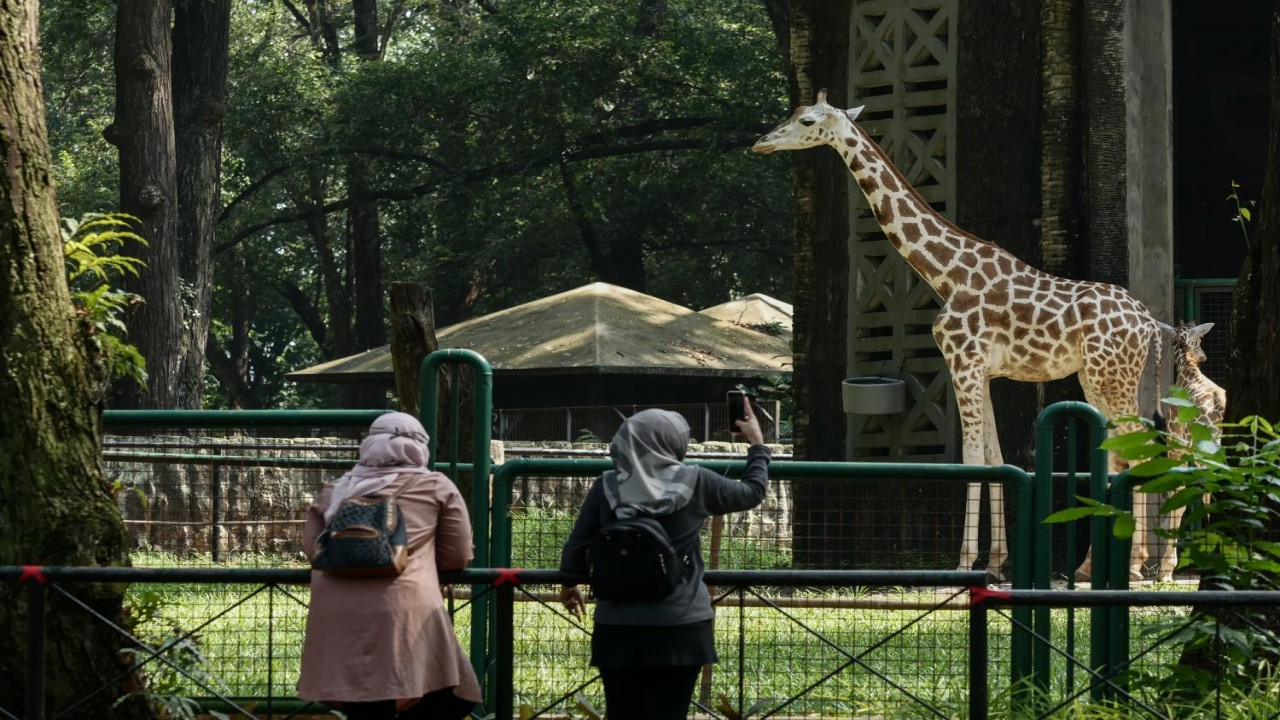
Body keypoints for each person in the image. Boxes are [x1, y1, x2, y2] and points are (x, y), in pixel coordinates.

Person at [559, 399, 770, 720]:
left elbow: (577, 544)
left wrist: (569, 582)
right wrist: (757, 444)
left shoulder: (606, 485)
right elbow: (752, 491)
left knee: (622, 712)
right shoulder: (698, 481)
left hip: (616, 627)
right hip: (682, 626)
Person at [297, 412, 481, 720]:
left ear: (368, 445)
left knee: (363, 704)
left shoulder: (334, 491)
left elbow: (312, 549)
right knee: (454, 696)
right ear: (420, 447)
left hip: (336, 612)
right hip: (405, 608)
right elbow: (457, 556)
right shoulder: (435, 486)